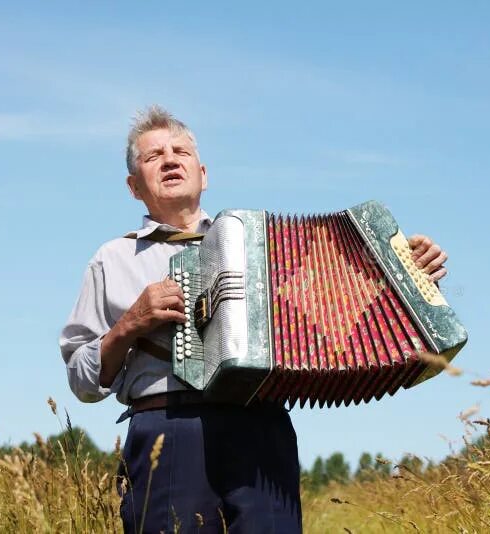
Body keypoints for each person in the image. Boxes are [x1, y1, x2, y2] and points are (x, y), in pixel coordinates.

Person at [59, 105, 450, 533]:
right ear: (134, 186)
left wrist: (406, 275)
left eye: (180, 152)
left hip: (259, 424)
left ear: (203, 174)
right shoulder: (111, 258)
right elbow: (82, 380)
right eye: (153, 156)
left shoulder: (262, 248)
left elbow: (340, 306)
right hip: (167, 431)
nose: (170, 160)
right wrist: (129, 324)